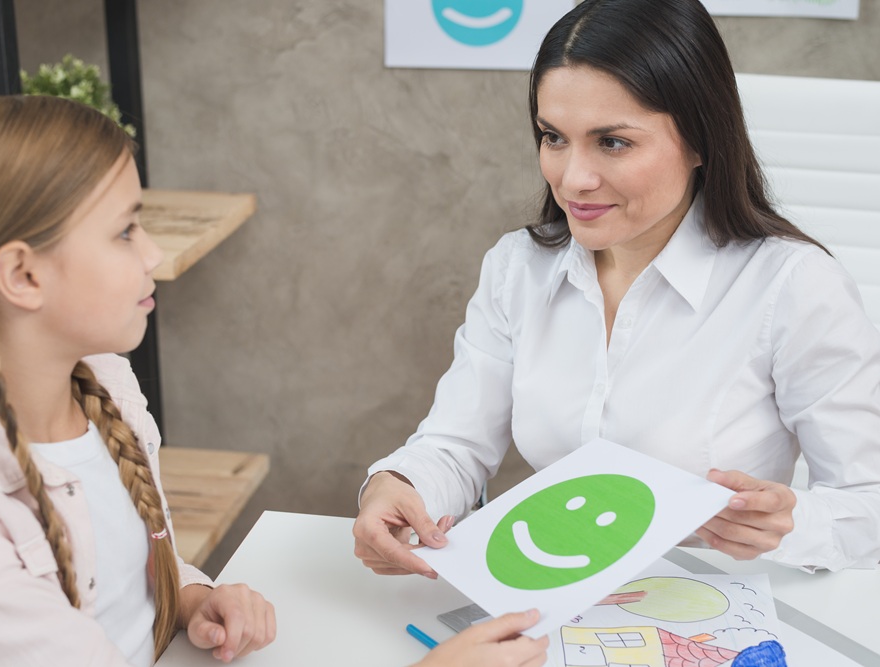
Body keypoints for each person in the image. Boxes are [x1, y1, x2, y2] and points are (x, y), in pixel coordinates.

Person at [0, 95, 547, 667]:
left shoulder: (104, 384)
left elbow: (121, 581)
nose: (152, 255)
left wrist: (190, 598)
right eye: (124, 232)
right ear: (22, 275)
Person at [354, 0, 880, 584]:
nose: (572, 179)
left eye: (613, 143)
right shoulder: (517, 268)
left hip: (714, 604)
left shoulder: (794, 286)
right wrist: (396, 484)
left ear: (702, 140)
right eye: (553, 137)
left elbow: (868, 504)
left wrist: (791, 524)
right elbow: (456, 444)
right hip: (556, 598)